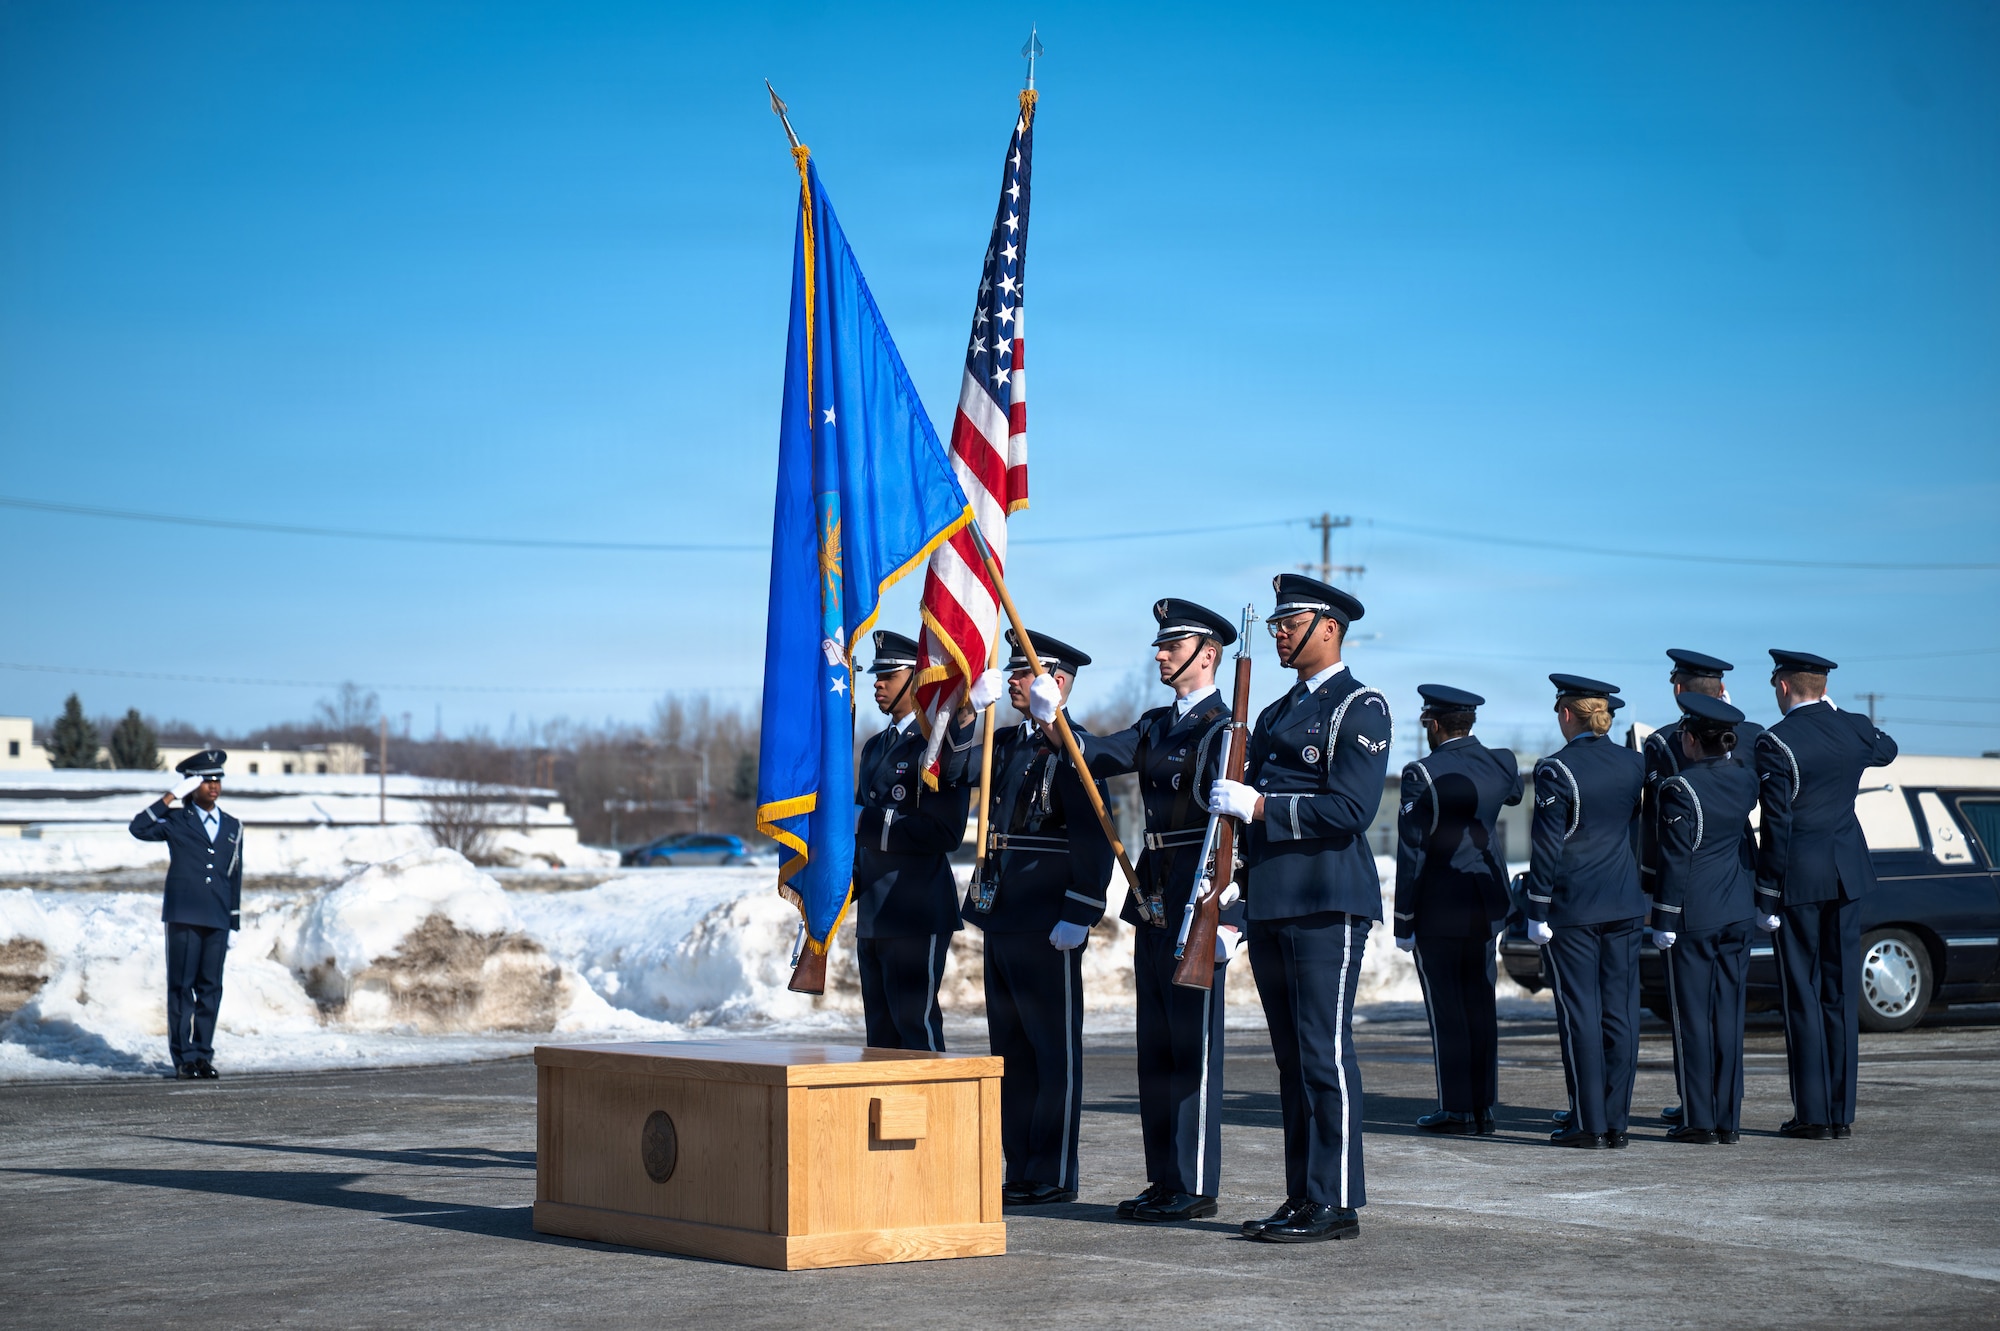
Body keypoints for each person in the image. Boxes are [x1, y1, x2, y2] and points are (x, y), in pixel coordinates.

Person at [1208, 574, 1391, 1244]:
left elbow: (1351, 809)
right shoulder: (1275, 713)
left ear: (1329, 627)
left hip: (1327, 897)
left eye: (1292, 621)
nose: (1281, 631)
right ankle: (1303, 1193)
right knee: (1291, 1057)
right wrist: (1237, 889)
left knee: (1323, 1049)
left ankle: (1336, 1199)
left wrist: (1261, 806)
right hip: (1276, 900)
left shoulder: (1360, 705)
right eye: (1279, 622)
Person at [1063, 598, 1243, 1223]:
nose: (1159, 653)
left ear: (1208, 654)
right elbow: (1093, 755)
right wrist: (1055, 715)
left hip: (1200, 896)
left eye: (1172, 645)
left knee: (1192, 1049)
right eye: (1160, 644)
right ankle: (1164, 1179)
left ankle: (1194, 1183)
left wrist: (1232, 916)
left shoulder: (1229, 730)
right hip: (1154, 898)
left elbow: (1241, 836)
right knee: (1157, 1049)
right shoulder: (1156, 724)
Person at [961, 628, 1113, 1206]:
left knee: (1053, 1052)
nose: (1015, 680)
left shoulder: (1075, 748)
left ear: (1059, 682)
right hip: (1003, 913)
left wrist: (1081, 909)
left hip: (1050, 918)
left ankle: (1052, 1172)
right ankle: (1019, 1166)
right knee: (1012, 1049)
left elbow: (1095, 836)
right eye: (1014, 672)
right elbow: (948, 775)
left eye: (1027, 672)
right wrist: (965, 718)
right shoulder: (1005, 742)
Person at [1754, 649, 1898, 1140]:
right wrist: (1837, 711)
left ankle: (1813, 1114)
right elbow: (1889, 749)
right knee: (1840, 993)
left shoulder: (1777, 742)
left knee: (1803, 994)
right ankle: (1841, 1112)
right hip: (1848, 872)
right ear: (1822, 686)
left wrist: (1766, 895)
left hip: (1799, 878)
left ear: (1783, 686)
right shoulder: (1855, 728)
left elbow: (1776, 826)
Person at [1639, 650, 1765, 1127]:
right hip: (1739, 889)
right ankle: (1725, 1112)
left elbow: (1660, 834)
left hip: (1694, 897)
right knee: (1729, 1012)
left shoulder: (1668, 743)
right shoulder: (1752, 743)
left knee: (1691, 1013)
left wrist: (1658, 902)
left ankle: (1699, 1112)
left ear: (1680, 690)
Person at [1520, 676, 1646, 1149]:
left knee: (1581, 1015)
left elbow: (1547, 845)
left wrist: (1536, 907)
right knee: (1621, 1015)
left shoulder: (1556, 769)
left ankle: (1587, 1123)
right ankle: (1615, 1122)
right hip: (1625, 903)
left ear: (1568, 715)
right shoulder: (1635, 763)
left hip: (1575, 908)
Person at [1392, 685, 1523, 1136]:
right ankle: (1484, 1106)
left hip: (1440, 907)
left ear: (1434, 723)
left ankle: (1458, 1109)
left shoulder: (1421, 773)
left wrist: (1403, 919)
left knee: (1448, 1009)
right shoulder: (1501, 761)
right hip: (1487, 902)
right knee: (1480, 1004)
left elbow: (1412, 851)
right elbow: (1514, 795)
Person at [851, 629, 970, 1052]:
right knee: (880, 1035)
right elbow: (858, 837)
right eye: (875, 674)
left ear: (916, 678)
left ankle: (931, 1118)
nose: (877, 683)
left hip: (916, 909)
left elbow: (944, 831)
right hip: (876, 912)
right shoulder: (874, 746)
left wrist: (866, 820)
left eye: (888, 674)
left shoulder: (938, 743)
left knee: (914, 1028)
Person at [128, 749, 242, 1080]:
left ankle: (203, 1055)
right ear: (191, 785)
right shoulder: (177, 820)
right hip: (184, 915)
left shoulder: (233, 826)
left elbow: (235, 875)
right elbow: (138, 827)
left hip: (217, 918)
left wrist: (233, 921)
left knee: (211, 989)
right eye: (206, 781)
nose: (213, 786)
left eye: (217, 779)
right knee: (182, 988)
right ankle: (184, 1058)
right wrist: (170, 797)